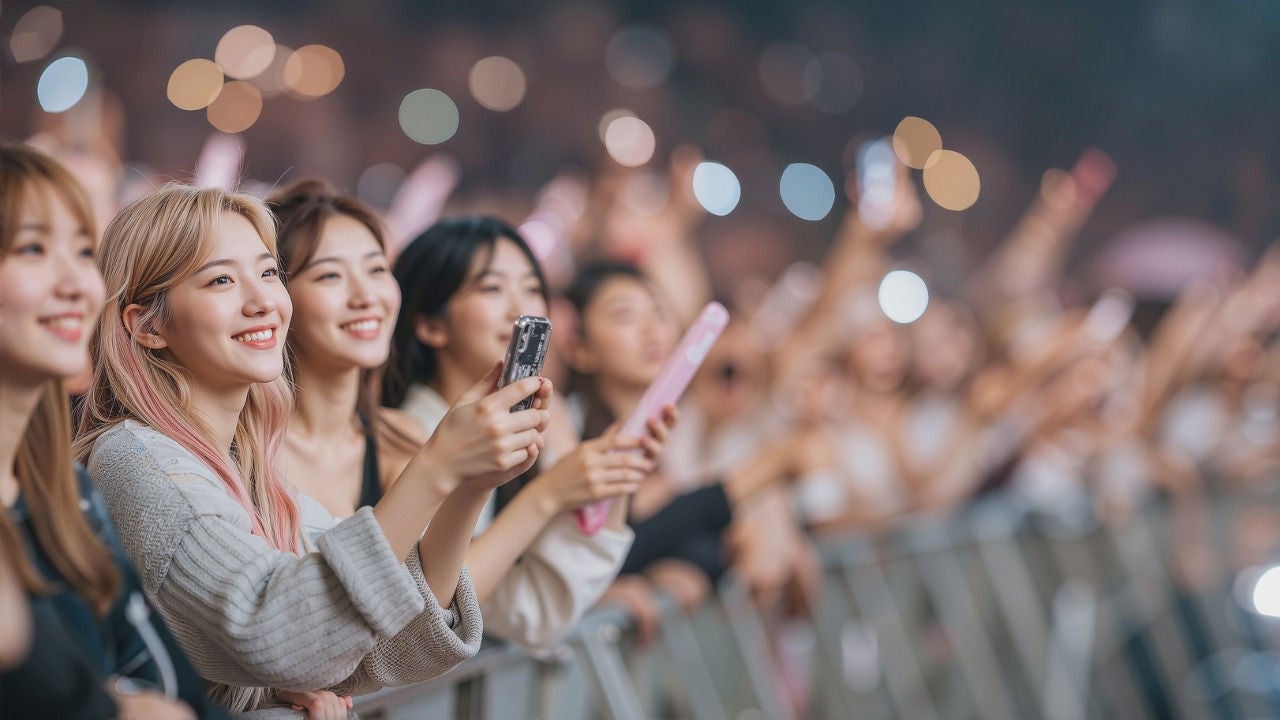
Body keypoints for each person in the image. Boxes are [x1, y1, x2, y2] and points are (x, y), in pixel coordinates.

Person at [75, 184, 550, 715]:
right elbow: (283, 634)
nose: (262, 302)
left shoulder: (248, 465)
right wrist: (437, 466)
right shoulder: (140, 461)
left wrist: (468, 485)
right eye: (221, 280)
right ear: (146, 325)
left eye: (268, 272)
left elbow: (384, 643)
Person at [0, 143, 221, 719]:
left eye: (82, 250)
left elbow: (173, 686)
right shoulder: (130, 457)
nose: (77, 282)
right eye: (31, 249)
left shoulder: (67, 492)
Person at [385, 216, 672, 653]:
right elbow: (440, 612)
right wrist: (550, 495)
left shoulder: (531, 423)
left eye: (533, 288)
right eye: (492, 288)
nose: (521, 307)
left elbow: (537, 605)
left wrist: (618, 474)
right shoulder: (408, 440)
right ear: (429, 325)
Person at [267, 180, 424, 526]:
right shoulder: (248, 450)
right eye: (331, 275)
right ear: (276, 296)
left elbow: (435, 580)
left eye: (377, 269)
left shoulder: (402, 438)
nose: (366, 296)